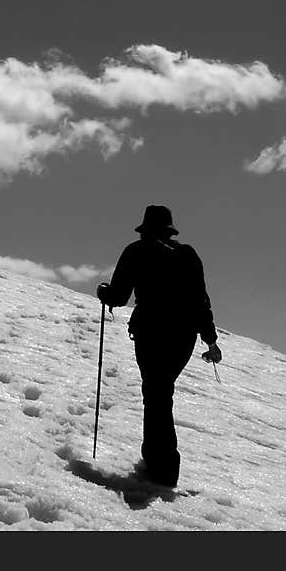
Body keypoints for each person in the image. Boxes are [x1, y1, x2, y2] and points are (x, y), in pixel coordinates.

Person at [96, 205, 221, 487]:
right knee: (161, 394)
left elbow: (118, 296)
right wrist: (211, 340)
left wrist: (102, 292)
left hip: (151, 332)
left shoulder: (136, 251)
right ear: (169, 230)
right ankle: (158, 464)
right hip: (183, 336)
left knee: (156, 395)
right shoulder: (188, 255)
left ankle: (162, 469)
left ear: (145, 229)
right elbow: (201, 301)